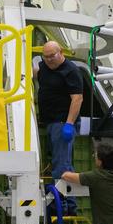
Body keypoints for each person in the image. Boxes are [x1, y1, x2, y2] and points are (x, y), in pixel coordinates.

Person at [35, 41, 84, 214]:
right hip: (49, 122)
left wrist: (69, 124)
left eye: (51, 56)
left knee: (61, 166)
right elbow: (36, 73)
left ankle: (64, 204)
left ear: (60, 52)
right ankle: (68, 203)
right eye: (45, 56)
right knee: (62, 164)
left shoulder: (71, 71)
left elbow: (77, 98)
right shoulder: (45, 67)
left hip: (62, 122)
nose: (48, 60)